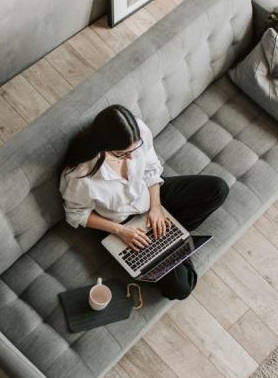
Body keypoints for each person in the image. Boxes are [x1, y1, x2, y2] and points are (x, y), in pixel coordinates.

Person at [59, 104, 229, 300]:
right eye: (122, 153)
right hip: (120, 223)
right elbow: (76, 214)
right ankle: (169, 242)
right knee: (182, 288)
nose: (131, 157)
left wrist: (156, 207)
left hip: (150, 196)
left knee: (218, 189)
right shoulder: (79, 176)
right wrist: (121, 231)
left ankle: (169, 237)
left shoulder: (138, 131)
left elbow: (150, 168)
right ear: (103, 146)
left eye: (135, 148)